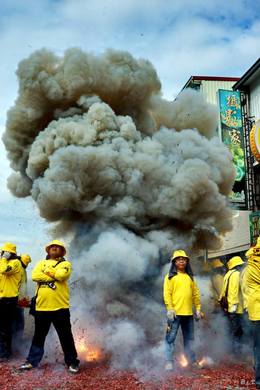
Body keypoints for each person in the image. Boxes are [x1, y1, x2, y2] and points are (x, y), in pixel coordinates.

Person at [20, 240, 80, 373]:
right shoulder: (41, 263)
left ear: (62, 251)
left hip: (60, 308)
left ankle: (72, 362)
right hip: (41, 307)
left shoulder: (65, 264)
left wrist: (47, 272)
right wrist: (53, 274)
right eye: (52, 246)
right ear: (47, 250)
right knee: (39, 336)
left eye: (57, 247)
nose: (54, 248)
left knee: (66, 336)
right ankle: (32, 361)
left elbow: (62, 275)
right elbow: (35, 276)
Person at [163, 249, 202, 371]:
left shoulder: (190, 277)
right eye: (179, 259)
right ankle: (169, 362)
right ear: (174, 262)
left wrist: (198, 309)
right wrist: (170, 309)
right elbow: (167, 294)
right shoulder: (170, 277)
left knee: (189, 339)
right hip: (174, 314)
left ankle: (192, 360)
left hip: (188, 314)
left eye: (184, 259)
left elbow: (195, 294)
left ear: (186, 262)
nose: (181, 261)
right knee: (170, 338)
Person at [0, 242, 22, 361]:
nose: (1, 254)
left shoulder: (15, 263)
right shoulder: (4, 262)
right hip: (2, 299)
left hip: (9, 300)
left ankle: (4, 354)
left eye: (3, 252)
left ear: (8, 253)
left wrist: (3, 259)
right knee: (2, 328)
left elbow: (4, 270)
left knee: (5, 328)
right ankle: (3, 352)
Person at [243, 238, 260, 389]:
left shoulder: (249, 267)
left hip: (255, 312)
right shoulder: (253, 266)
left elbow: (244, 291)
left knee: (258, 346)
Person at [219, 255, 244, 355]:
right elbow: (233, 291)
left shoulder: (227, 274)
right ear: (237, 266)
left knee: (231, 329)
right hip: (236, 308)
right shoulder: (237, 274)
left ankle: (231, 350)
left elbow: (223, 292)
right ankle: (236, 353)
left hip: (228, 307)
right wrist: (233, 307)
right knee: (237, 331)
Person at [13, 254, 31, 346]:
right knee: (17, 322)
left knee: (17, 322)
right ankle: (15, 343)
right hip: (16, 300)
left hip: (18, 300)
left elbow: (23, 286)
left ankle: (16, 342)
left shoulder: (20, 269)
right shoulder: (20, 269)